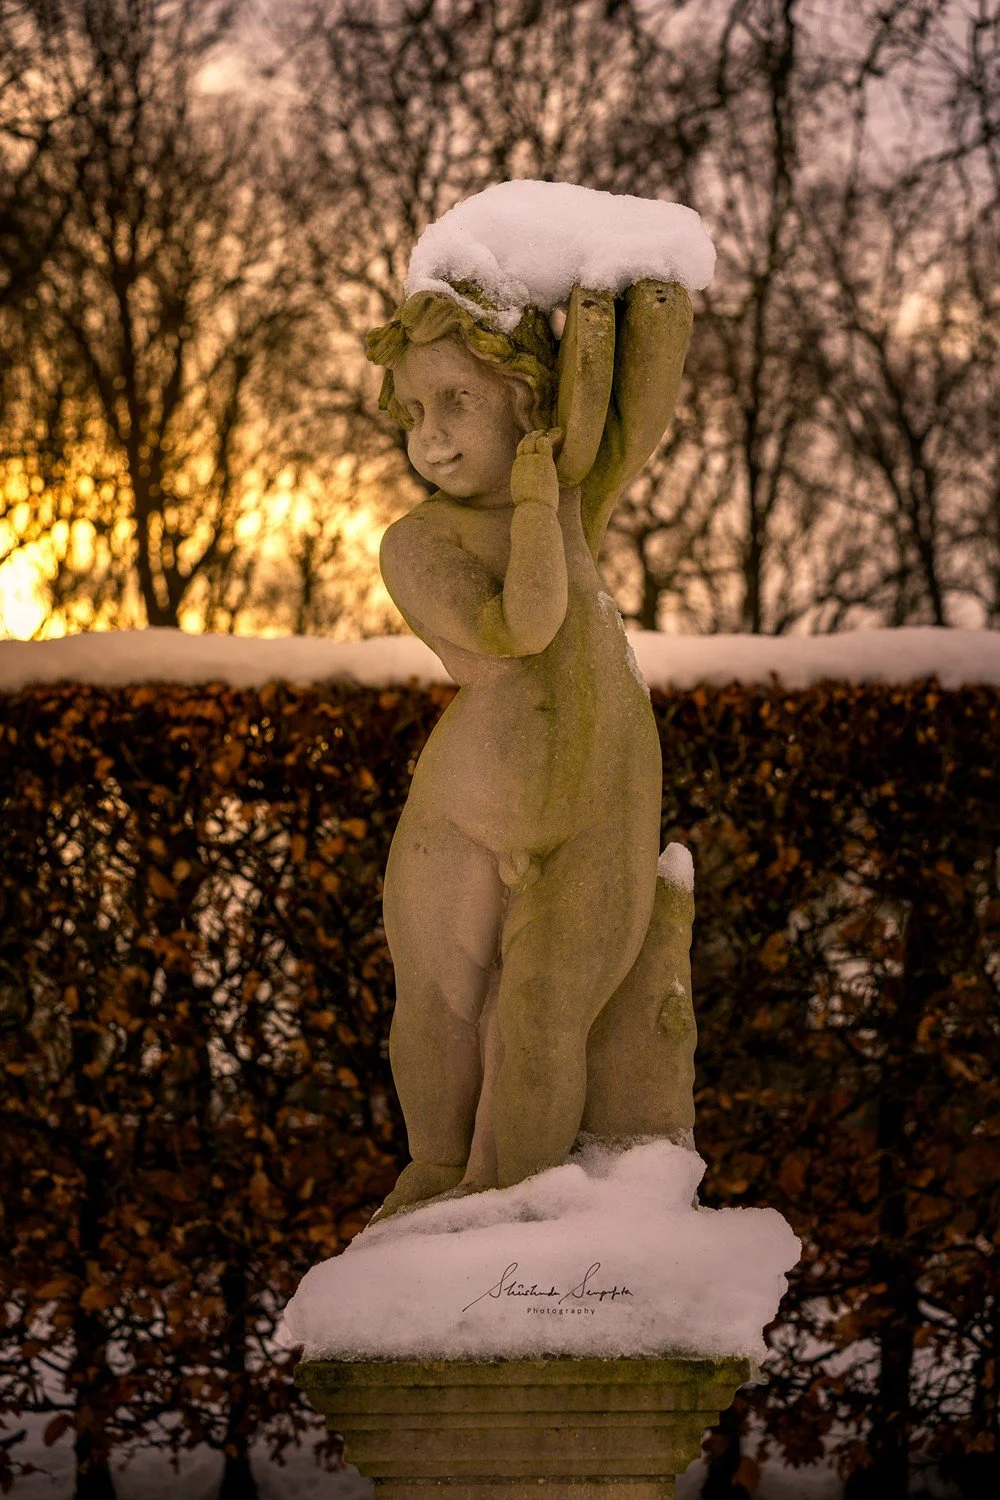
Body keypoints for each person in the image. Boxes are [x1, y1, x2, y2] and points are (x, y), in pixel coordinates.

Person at [366, 279, 691, 1217]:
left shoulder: (574, 498)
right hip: (461, 817)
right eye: (413, 411)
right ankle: (433, 1173)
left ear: (525, 401)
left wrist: (652, 295)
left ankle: (511, 1212)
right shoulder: (418, 541)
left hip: (594, 810)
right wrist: (543, 511)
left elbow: (637, 411)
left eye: (456, 400)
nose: (429, 434)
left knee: (544, 1019)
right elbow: (521, 629)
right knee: (436, 1007)